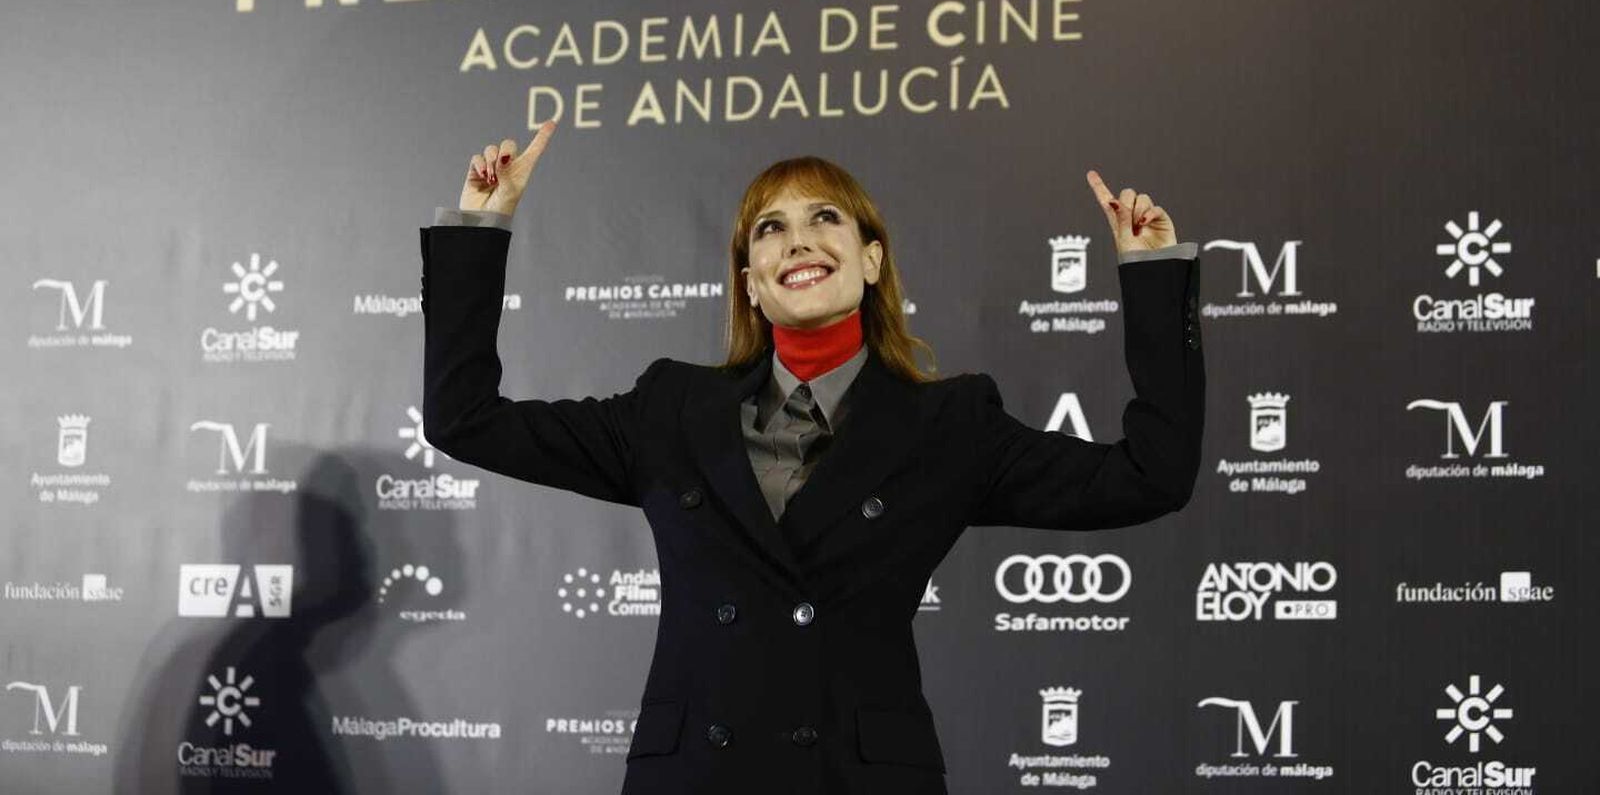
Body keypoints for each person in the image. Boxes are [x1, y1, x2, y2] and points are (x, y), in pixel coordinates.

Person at [418, 116, 1203, 795]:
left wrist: (1153, 275)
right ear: (751, 284)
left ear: (869, 259)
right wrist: (479, 231)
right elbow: (467, 419)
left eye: (825, 217)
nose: (797, 238)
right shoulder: (669, 410)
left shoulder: (949, 423)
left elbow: (1149, 474)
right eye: (769, 227)